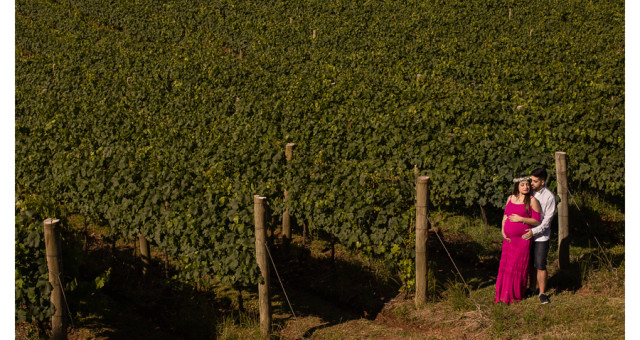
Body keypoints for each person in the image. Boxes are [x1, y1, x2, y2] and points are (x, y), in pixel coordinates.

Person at [495, 176, 542, 304]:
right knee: (506, 266)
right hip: (509, 240)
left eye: (527, 184)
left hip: (522, 240)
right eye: (523, 185)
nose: (526, 187)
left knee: (517, 267)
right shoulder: (510, 198)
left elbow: (537, 220)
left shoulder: (532, 200)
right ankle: (502, 294)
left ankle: (514, 295)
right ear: (517, 186)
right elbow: (505, 215)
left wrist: (522, 219)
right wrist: (503, 230)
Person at [522, 168, 556, 304]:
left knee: (540, 264)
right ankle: (531, 288)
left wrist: (534, 232)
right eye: (531, 180)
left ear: (543, 182)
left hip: (541, 236)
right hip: (527, 233)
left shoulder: (549, 197)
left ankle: (542, 293)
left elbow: (547, 221)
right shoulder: (528, 191)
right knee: (530, 263)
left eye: (535, 181)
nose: (532, 183)